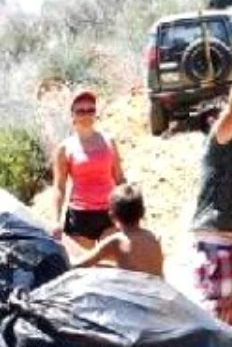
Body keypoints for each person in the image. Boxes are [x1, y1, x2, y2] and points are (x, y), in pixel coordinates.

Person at [190, 59, 232, 329]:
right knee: (216, 331)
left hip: (231, 248)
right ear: (213, 121)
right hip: (217, 250)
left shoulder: (231, 149)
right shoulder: (218, 140)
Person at [45, 88, 126, 250]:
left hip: (110, 212)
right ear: (72, 115)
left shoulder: (109, 142)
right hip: (80, 215)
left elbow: (120, 179)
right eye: (80, 111)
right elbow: (59, 187)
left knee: (113, 267)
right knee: (85, 269)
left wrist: (130, 212)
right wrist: (55, 221)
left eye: (90, 110)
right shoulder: (65, 148)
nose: (86, 115)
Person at [71, 183, 164, 277]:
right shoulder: (154, 237)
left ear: (111, 215)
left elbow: (80, 264)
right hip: (156, 289)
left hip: (133, 290)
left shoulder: (117, 241)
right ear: (143, 212)